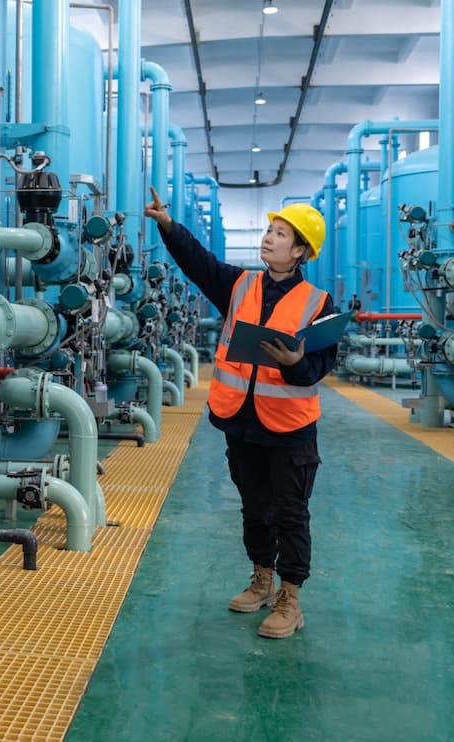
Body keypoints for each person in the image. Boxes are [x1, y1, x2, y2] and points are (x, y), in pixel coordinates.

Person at [144, 186, 336, 639]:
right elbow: (199, 262)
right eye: (269, 230)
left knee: (291, 512)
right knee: (254, 507)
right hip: (242, 422)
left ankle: (291, 598)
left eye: (280, 233)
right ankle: (261, 580)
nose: (269, 238)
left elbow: (322, 364)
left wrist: (296, 364)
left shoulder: (317, 303)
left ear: (301, 250)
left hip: (290, 428)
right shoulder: (240, 285)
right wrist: (168, 226)